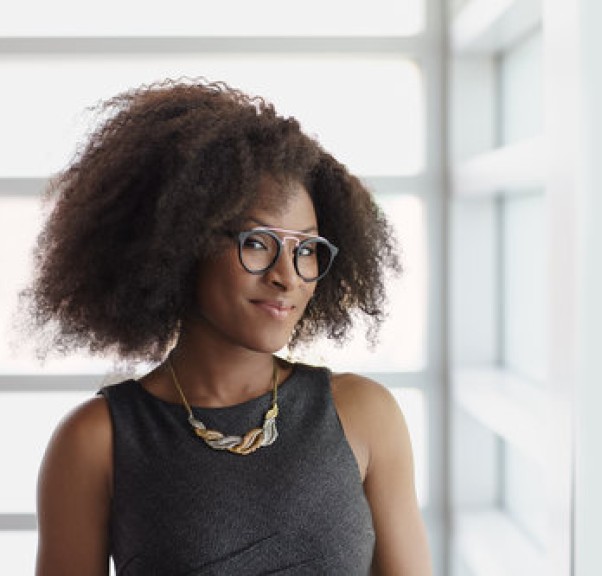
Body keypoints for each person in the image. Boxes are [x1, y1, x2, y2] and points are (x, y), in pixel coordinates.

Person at [28, 80, 431, 575]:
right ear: (181, 241)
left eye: (305, 249)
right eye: (259, 243)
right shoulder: (96, 440)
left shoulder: (365, 416)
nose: (287, 275)